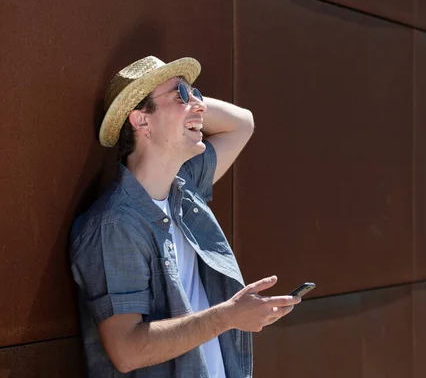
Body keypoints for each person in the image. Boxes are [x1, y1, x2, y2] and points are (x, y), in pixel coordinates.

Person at [70, 56, 301, 377]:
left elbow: (242, 123)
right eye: (181, 94)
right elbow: (126, 351)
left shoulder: (184, 186)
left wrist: (188, 102)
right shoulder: (115, 224)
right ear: (141, 121)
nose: (200, 107)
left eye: (198, 95)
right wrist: (227, 317)